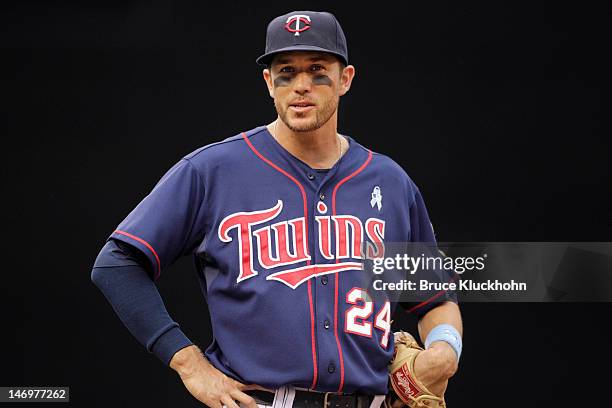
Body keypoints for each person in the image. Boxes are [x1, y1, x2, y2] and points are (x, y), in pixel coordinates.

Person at [91, 10, 463, 408]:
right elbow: (117, 263)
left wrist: (444, 351)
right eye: (286, 71)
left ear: (345, 79)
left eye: (318, 70)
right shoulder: (212, 171)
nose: (301, 85)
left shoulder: (390, 182)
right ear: (269, 83)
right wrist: (188, 362)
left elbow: (435, 300)